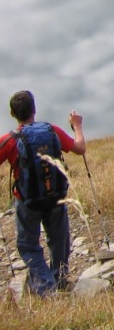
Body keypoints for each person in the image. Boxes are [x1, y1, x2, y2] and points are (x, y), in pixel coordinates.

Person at [0, 90, 86, 296]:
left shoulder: (9, 140)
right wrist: (77, 126)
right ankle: (60, 279)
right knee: (59, 240)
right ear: (34, 109)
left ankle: (46, 288)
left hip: (27, 201)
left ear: (12, 114)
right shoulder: (52, 130)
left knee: (28, 245)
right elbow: (80, 148)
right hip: (56, 196)